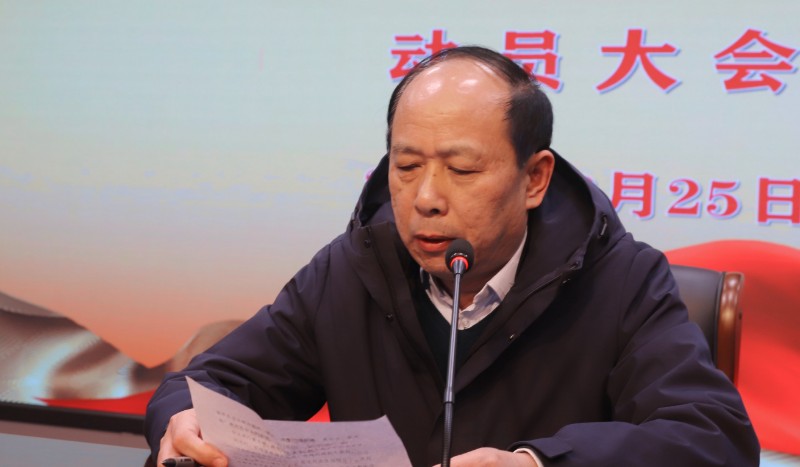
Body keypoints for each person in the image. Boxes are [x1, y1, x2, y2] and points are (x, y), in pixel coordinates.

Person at [145, 46, 759, 466]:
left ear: (535, 178)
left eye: (462, 170)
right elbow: (209, 384)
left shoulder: (622, 280)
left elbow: (713, 437)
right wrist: (184, 421)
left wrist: (540, 463)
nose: (426, 199)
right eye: (406, 167)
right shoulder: (354, 269)